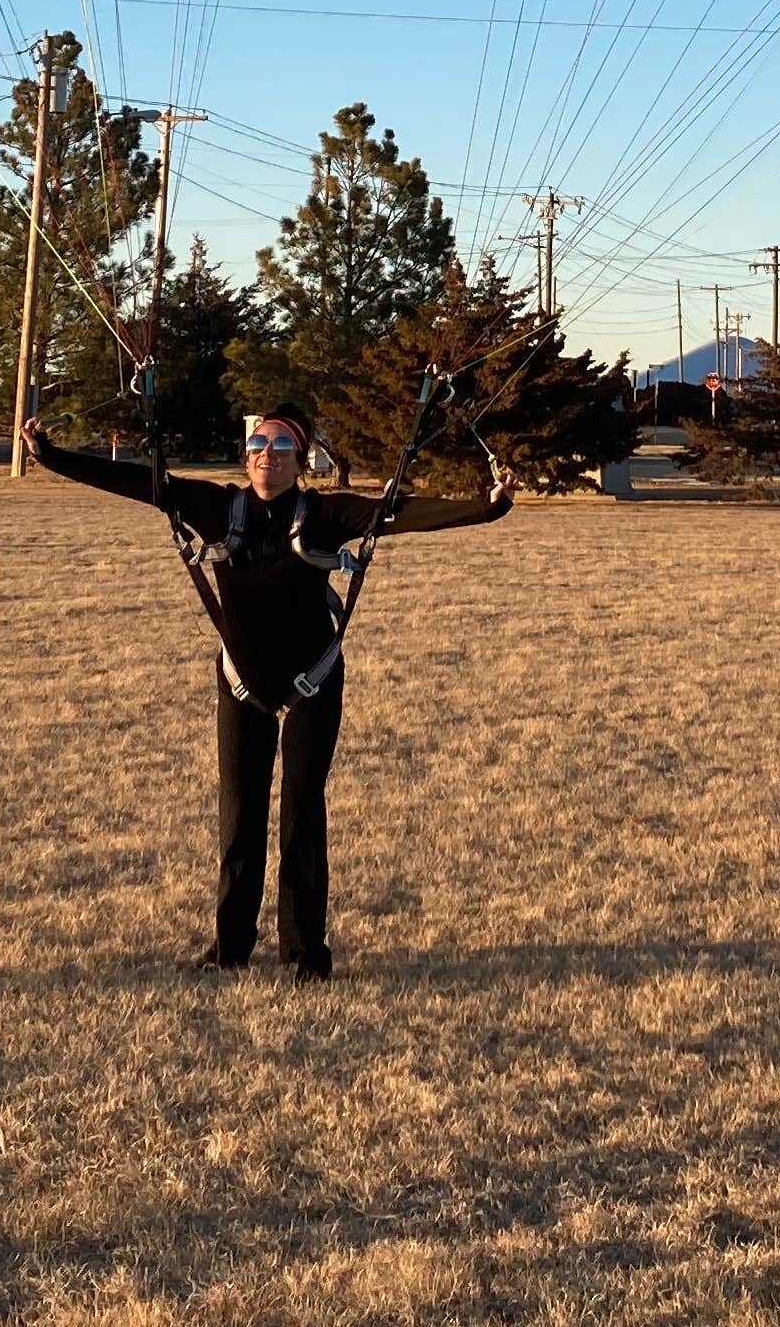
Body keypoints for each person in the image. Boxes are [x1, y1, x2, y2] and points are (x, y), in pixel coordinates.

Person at [33, 407, 511, 979]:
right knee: (239, 814)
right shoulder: (217, 507)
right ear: (247, 453)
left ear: (299, 460)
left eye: (282, 447)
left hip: (312, 680)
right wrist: (50, 455)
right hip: (241, 685)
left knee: (301, 814)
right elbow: (140, 484)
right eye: (259, 442)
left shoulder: (325, 513)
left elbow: (399, 514)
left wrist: (488, 507)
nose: (268, 453)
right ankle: (230, 948)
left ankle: (305, 953)